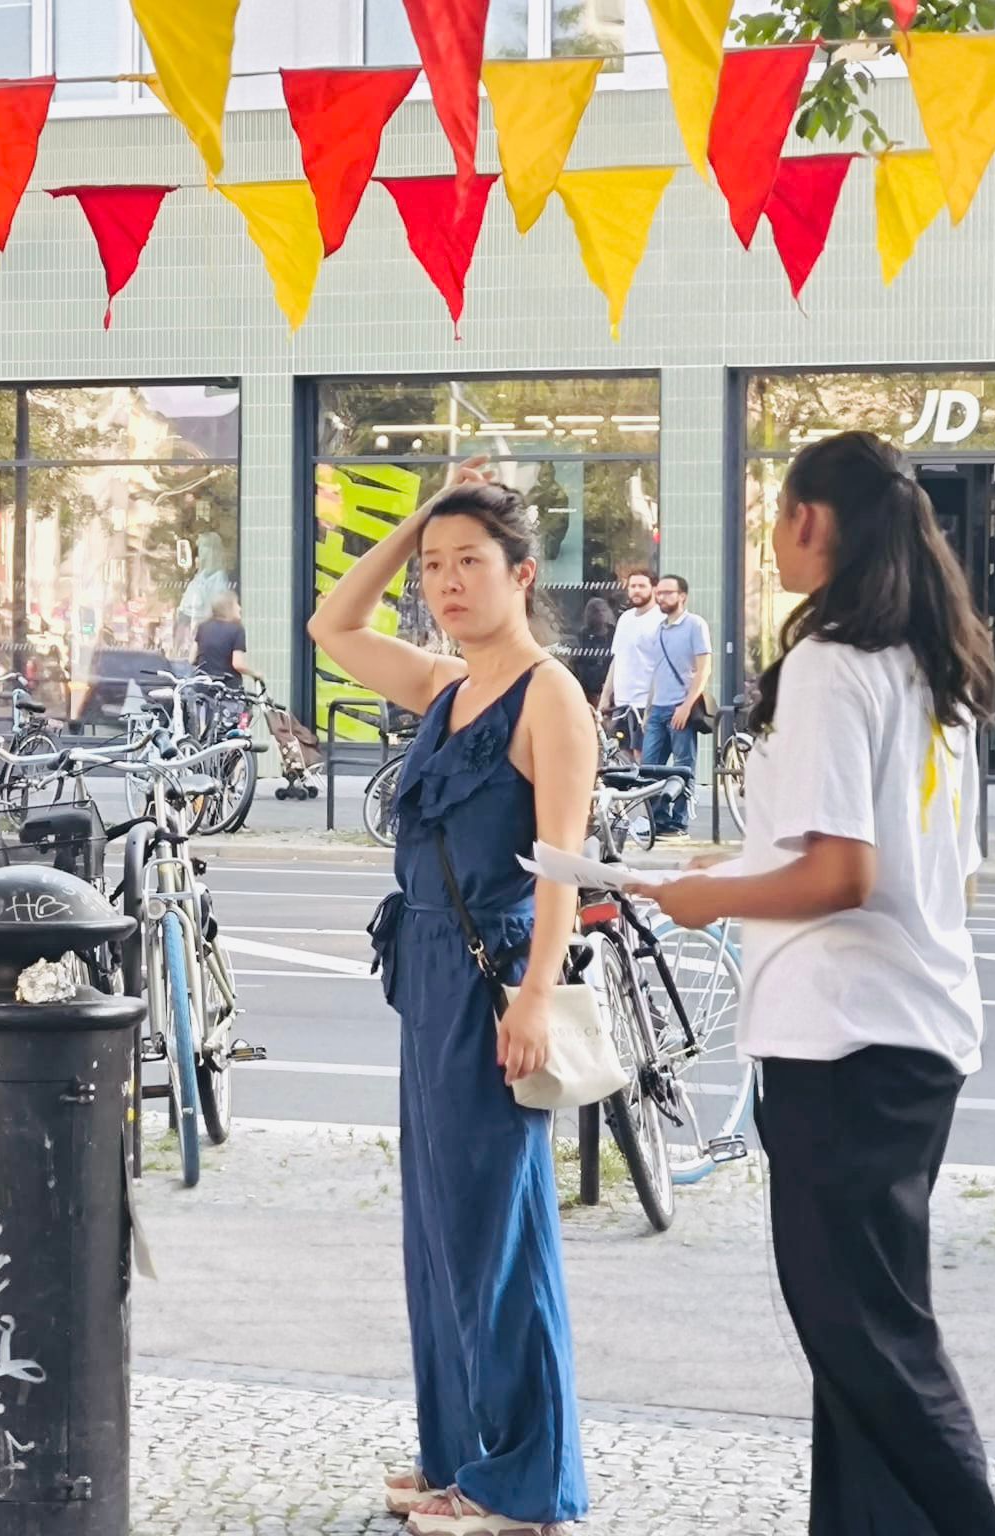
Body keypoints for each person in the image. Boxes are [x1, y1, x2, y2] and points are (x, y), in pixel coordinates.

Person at [635, 432, 995, 1536]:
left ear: (809, 519)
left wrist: (712, 897)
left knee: (864, 1342)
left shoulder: (830, 663)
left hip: (842, 1042)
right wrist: (744, 864)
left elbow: (843, 873)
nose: (770, 532)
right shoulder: (934, 668)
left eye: (775, 512)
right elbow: (925, 865)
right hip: (916, 1028)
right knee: (866, 1345)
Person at [309, 456, 592, 1536]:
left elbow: (561, 866)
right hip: (425, 973)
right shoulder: (443, 684)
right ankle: (458, 1454)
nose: (445, 583)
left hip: (491, 977)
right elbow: (332, 624)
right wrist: (423, 511)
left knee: (497, 1231)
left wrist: (535, 996)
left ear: (522, 573)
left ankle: (523, 1485)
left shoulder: (547, 695)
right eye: (433, 567)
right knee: (439, 1231)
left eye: (469, 561)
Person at [642, 574, 710, 838]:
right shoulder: (659, 629)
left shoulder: (695, 624)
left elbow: (703, 670)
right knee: (649, 767)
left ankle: (678, 822)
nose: (661, 597)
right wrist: (649, 709)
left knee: (683, 766)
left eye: (668, 593)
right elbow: (655, 673)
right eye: (659, 593)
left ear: (682, 596)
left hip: (681, 706)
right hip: (658, 709)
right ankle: (657, 819)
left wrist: (686, 706)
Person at [597, 569, 660, 758]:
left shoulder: (660, 619)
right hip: (622, 703)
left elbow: (662, 665)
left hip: (644, 703)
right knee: (619, 755)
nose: (636, 590)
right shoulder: (625, 619)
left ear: (654, 588)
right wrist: (605, 697)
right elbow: (617, 659)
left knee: (642, 756)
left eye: (642, 586)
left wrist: (652, 703)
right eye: (633, 586)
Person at [194, 591, 252, 685]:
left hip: (204, 685)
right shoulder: (237, 629)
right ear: (228, 608)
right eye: (236, 604)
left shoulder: (202, 627)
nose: (239, 608)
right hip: (227, 686)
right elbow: (237, 664)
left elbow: (192, 658)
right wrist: (255, 674)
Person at [569, 596, 616, 707]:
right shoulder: (583, 635)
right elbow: (576, 662)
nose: (600, 614)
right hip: (587, 690)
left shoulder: (614, 633)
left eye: (603, 610)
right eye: (596, 611)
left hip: (612, 689)